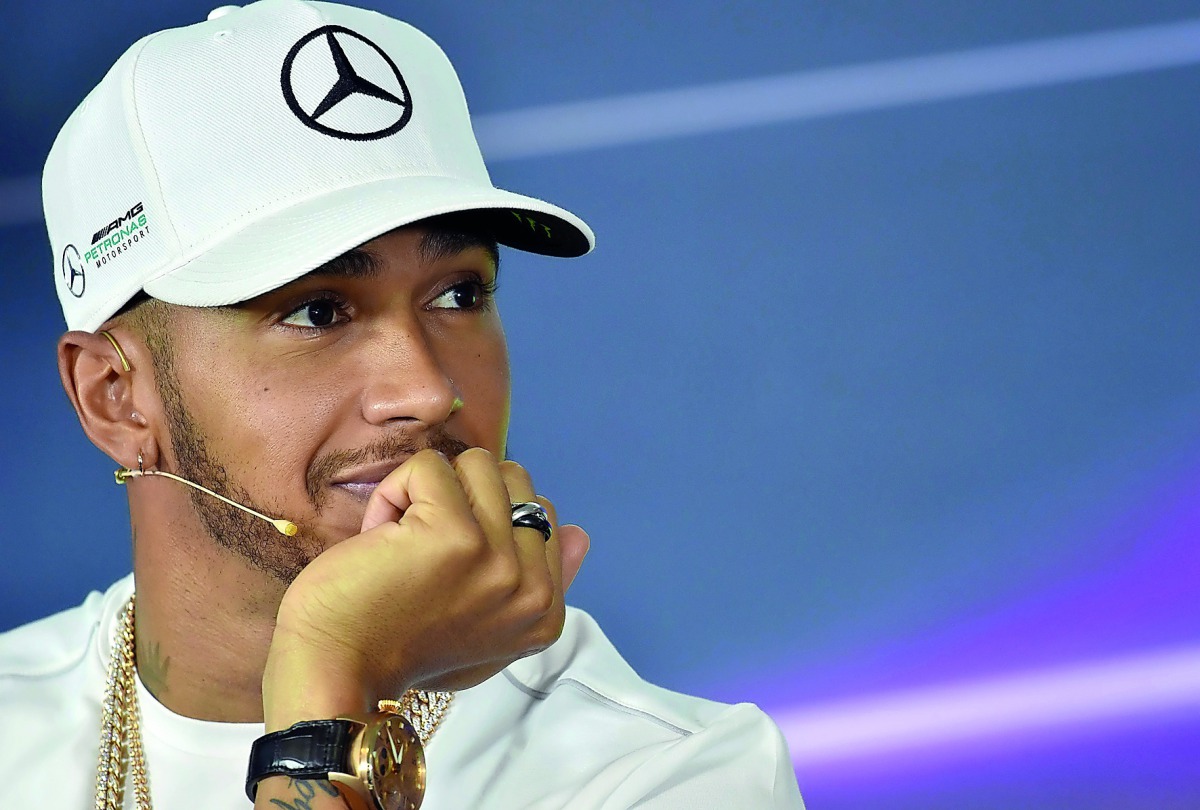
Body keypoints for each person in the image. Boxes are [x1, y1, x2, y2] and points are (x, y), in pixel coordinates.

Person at [0, 1, 805, 808]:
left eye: (459, 293)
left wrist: (332, 670)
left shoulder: (667, 776)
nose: (426, 391)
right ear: (115, 398)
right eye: (318, 310)